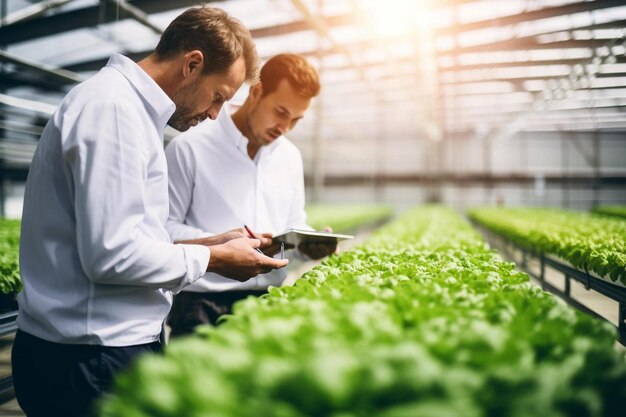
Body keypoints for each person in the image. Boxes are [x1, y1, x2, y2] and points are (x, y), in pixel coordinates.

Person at [11, 7, 288, 417]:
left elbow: (128, 235)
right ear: (192, 64)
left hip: (100, 352)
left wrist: (210, 241)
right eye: (218, 97)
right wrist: (213, 259)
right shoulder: (113, 111)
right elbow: (112, 255)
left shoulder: (131, 113)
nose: (215, 114)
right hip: (90, 360)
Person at [165, 54, 336, 336]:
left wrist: (308, 241)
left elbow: (295, 220)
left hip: (271, 302)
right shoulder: (190, 148)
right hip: (202, 306)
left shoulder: (290, 156)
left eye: (295, 120)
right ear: (256, 92)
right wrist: (225, 246)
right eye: (281, 112)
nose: (285, 128)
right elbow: (164, 230)